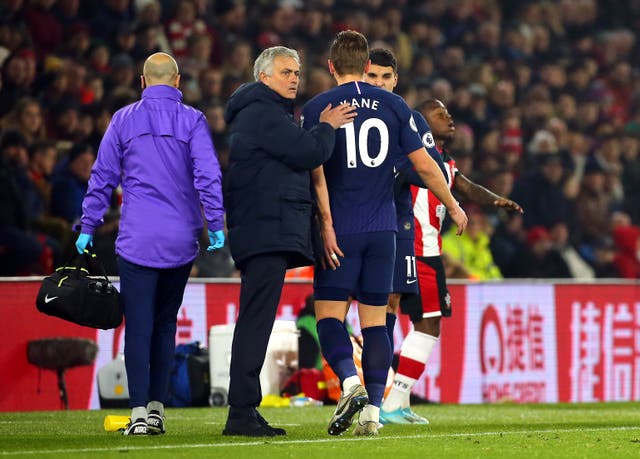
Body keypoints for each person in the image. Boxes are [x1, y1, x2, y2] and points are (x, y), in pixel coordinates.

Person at [302, 31, 468, 437]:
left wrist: (324, 224)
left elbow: (314, 169)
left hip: (339, 232)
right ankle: (374, 415)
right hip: (385, 234)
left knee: (328, 317)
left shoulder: (318, 107)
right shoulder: (395, 107)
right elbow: (427, 167)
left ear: (331, 66)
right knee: (378, 324)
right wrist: (454, 203)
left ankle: (350, 383)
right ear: (364, 66)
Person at [75, 52, 225, 436]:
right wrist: (216, 224)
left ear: (142, 81)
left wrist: (88, 226)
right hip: (179, 242)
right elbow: (208, 175)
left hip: (137, 240)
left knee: (139, 327)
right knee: (164, 326)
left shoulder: (123, 119)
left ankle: (139, 414)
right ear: (177, 82)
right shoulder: (193, 120)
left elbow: (102, 177)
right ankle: (158, 410)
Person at [222, 46, 356, 437]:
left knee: (256, 321)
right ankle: (241, 412)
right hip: (264, 232)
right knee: (255, 322)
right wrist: (327, 125)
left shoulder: (267, 113)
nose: (295, 78)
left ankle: (245, 409)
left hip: (264, 230)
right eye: (286, 72)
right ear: (264, 77)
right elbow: (308, 152)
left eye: (297, 71)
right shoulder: (262, 113)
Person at [380, 98, 523, 424]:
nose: (449, 118)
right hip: (416, 248)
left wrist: (495, 200)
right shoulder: (412, 156)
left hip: (430, 251)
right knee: (420, 323)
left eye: (448, 112)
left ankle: (394, 401)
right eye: (439, 113)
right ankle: (387, 400)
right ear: (421, 123)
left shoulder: (443, 160)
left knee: (426, 324)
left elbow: (466, 187)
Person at [362, 47, 448, 377]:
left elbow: (433, 168)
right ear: (361, 75)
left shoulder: (410, 119)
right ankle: (353, 379)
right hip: (349, 225)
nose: (380, 83)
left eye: (386, 77)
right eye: (372, 76)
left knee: (391, 301)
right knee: (348, 305)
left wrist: (402, 166)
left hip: (395, 226)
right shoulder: (343, 114)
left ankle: (376, 390)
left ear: (396, 80)